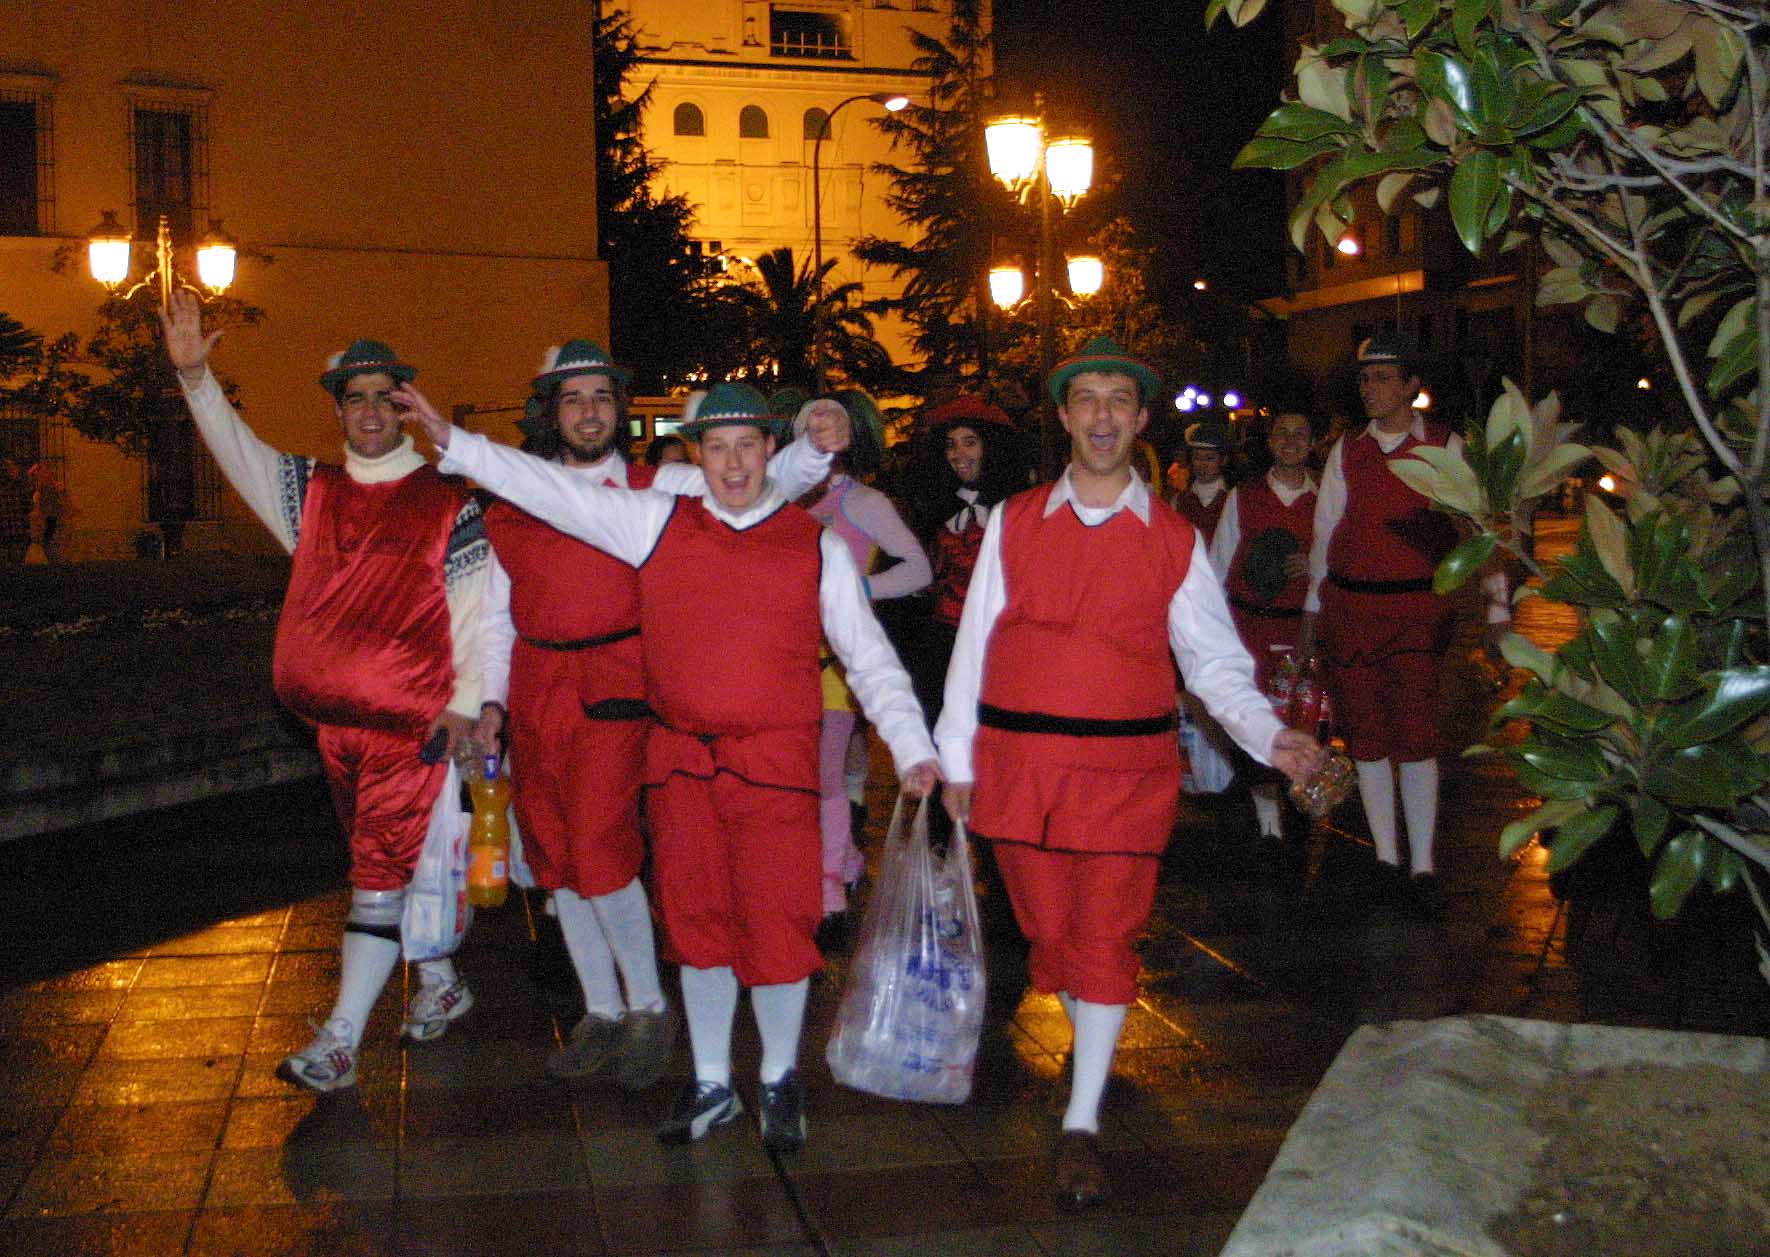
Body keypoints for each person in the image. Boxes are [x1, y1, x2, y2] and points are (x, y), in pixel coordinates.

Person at [409, 381, 939, 1156]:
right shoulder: (654, 522)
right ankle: (714, 1080)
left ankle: (780, 1077)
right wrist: (458, 446)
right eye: (715, 447)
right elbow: (551, 490)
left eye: (747, 446)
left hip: (776, 765)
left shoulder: (811, 543)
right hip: (684, 764)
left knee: (778, 924)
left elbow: (870, 659)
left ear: (771, 452)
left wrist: (915, 747)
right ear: (695, 456)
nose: (731, 463)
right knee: (698, 926)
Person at [936, 335, 1325, 1210]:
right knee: (1051, 939)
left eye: (1120, 400)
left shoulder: (1175, 540)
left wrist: (1275, 737)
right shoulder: (1015, 521)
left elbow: (1216, 665)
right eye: (1088, 400)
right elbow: (975, 646)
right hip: (1023, 769)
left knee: (1107, 938)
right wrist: (954, 757)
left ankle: (1082, 1124)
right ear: (1067, 417)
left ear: (1141, 420)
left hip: (1123, 774)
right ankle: (1094, 1042)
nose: (1104, 415)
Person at [474, 341, 844, 1087]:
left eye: (602, 398)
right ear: (550, 411)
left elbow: (762, 479)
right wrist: (488, 700)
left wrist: (812, 441)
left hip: (622, 678)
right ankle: (602, 1008)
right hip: (538, 687)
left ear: (619, 410)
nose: (589, 412)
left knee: (599, 844)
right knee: (557, 860)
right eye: (573, 399)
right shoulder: (514, 499)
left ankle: (649, 1005)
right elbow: (495, 614)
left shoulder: (666, 483)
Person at [159, 290, 487, 1092]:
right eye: (355, 398)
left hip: (414, 729)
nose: (369, 411)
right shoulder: (310, 493)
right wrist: (197, 377)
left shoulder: (451, 502)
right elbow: (237, 450)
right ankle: (442, 979)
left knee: (375, 872)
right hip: (333, 730)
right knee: (390, 863)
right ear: (338, 411)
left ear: (405, 411)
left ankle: (341, 1040)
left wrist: (468, 708)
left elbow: (479, 613)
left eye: (383, 397)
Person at [1299, 332, 1510, 907]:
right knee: (1365, 734)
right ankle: (1386, 858)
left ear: (1412, 386)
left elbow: (1479, 529)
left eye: (1384, 378)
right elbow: (1326, 531)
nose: (1371, 389)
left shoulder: (1446, 446)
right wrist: (1314, 610)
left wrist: (1498, 606)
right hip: (1351, 610)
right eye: (1366, 378)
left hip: (1417, 610)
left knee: (1415, 733)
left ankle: (1423, 865)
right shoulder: (1347, 450)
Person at [795, 391, 931, 927]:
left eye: (828, 424)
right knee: (804, 777)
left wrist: (857, 591)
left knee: (826, 776)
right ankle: (845, 861)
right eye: (809, 424)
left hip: (837, 661)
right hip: (784, 661)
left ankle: (829, 892)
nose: (818, 434)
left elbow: (918, 568)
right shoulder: (778, 498)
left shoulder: (864, 501)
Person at [1209, 411, 1318, 843]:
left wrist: (1314, 566)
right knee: (1258, 721)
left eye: (1300, 433)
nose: (1290, 441)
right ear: (1270, 442)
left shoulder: (1325, 496)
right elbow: (1218, 564)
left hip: (1300, 631)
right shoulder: (1245, 497)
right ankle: (1269, 820)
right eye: (1282, 434)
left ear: (1312, 443)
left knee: (1302, 719)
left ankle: (1304, 805)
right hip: (1251, 625)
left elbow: (1336, 559)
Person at [1170, 420, 1232, 546]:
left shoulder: (1233, 500)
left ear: (1223, 460)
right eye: (1197, 457)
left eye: (1210, 458)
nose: (1203, 464)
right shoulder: (1179, 501)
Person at [27, 460, 64, 563]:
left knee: (50, 538)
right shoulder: (39, 486)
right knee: (46, 538)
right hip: (45, 515)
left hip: (51, 515)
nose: (45, 473)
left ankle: (50, 558)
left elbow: (60, 500)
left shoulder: (54, 486)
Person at [0, 459, 29, 564]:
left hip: (11, 530)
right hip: (16, 529)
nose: (17, 471)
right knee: (16, 562)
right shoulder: (17, 487)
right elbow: (26, 506)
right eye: (14, 469)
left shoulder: (16, 487)